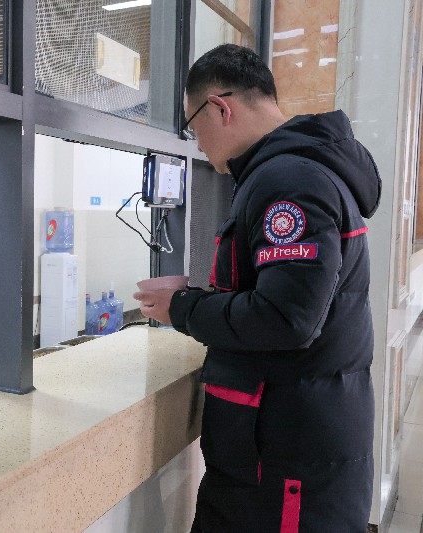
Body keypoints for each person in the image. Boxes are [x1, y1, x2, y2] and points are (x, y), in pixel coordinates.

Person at [134, 44, 381, 531]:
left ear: (220, 108)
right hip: (280, 447)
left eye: (193, 127)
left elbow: (287, 318)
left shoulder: (289, 181)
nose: (198, 143)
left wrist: (182, 307)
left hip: (289, 458)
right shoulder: (290, 171)